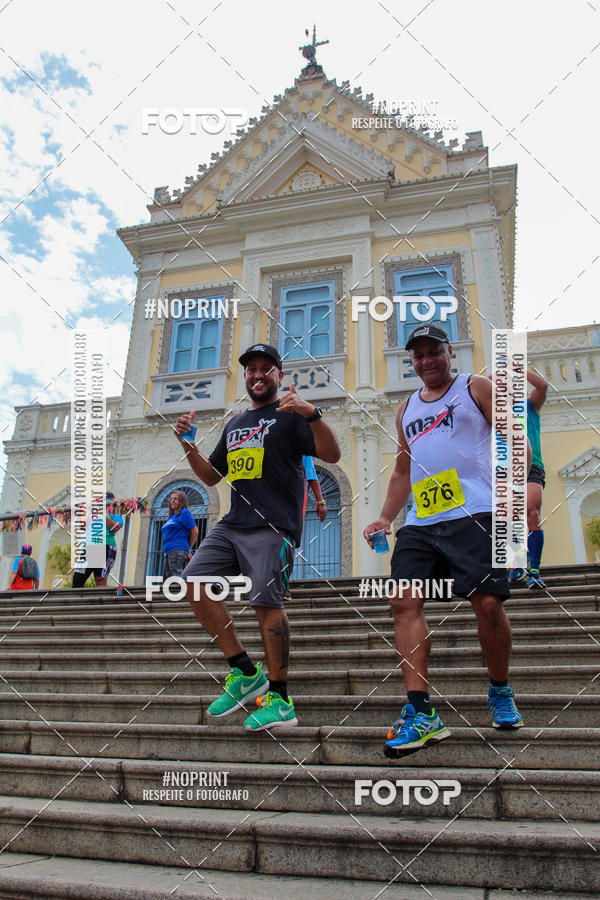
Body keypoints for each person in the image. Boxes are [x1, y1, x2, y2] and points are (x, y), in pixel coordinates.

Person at [363, 324, 523, 759]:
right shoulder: (406, 409)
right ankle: (421, 712)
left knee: (488, 605)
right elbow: (402, 471)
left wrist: (518, 494)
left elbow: (513, 437)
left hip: (477, 513)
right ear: (411, 361)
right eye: (418, 355)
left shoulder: (476, 387)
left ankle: (500, 690)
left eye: (434, 351)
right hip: (420, 521)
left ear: (450, 352)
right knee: (402, 601)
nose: (426, 360)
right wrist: (384, 516)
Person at [174, 343, 341, 731]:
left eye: (267, 367)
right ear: (245, 377)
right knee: (194, 581)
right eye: (251, 369)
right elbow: (212, 476)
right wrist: (187, 443)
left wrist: (312, 413)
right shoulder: (234, 424)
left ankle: (281, 698)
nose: (258, 374)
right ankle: (246, 672)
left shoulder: (291, 414)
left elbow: (331, 454)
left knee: (266, 604)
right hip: (233, 524)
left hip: (273, 525)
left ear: (279, 376)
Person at [510, 369, 548, 589]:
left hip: (532, 466)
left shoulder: (530, 405)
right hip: (506, 470)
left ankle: (534, 570)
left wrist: (518, 368)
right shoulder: (494, 411)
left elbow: (542, 386)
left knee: (532, 512)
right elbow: (475, 386)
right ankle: (516, 563)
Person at [72, 492, 124, 588]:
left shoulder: (116, 514)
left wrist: (103, 515)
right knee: (77, 578)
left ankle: (101, 601)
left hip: (106, 545)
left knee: (100, 579)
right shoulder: (93, 514)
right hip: (89, 547)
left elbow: (115, 528)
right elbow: (83, 527)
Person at [161, 490, 198, 579]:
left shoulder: (184, 513)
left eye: (175, 499)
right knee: (169, 579)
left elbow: (195, 531)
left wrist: (188, 548)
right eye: (171, 499)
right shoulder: (172, 517)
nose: (172, 500)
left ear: (181, 501)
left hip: (178, 549)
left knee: (177, 576)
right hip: (168, 551)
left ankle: (186, 592)